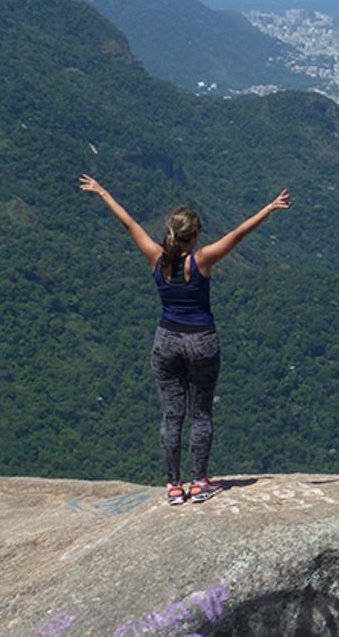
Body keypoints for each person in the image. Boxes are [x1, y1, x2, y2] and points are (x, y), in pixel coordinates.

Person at [79, 175, 292, 505]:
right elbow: (239, 233)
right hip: (202, 341)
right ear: (194, 236)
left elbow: (129, 223)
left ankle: (174, 486)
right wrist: (270, 208)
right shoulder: (201, 260)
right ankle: (199, 483)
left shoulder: (155, 257)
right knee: (201, 413)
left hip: (166, 341)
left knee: (171, 415)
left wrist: (102, 192)